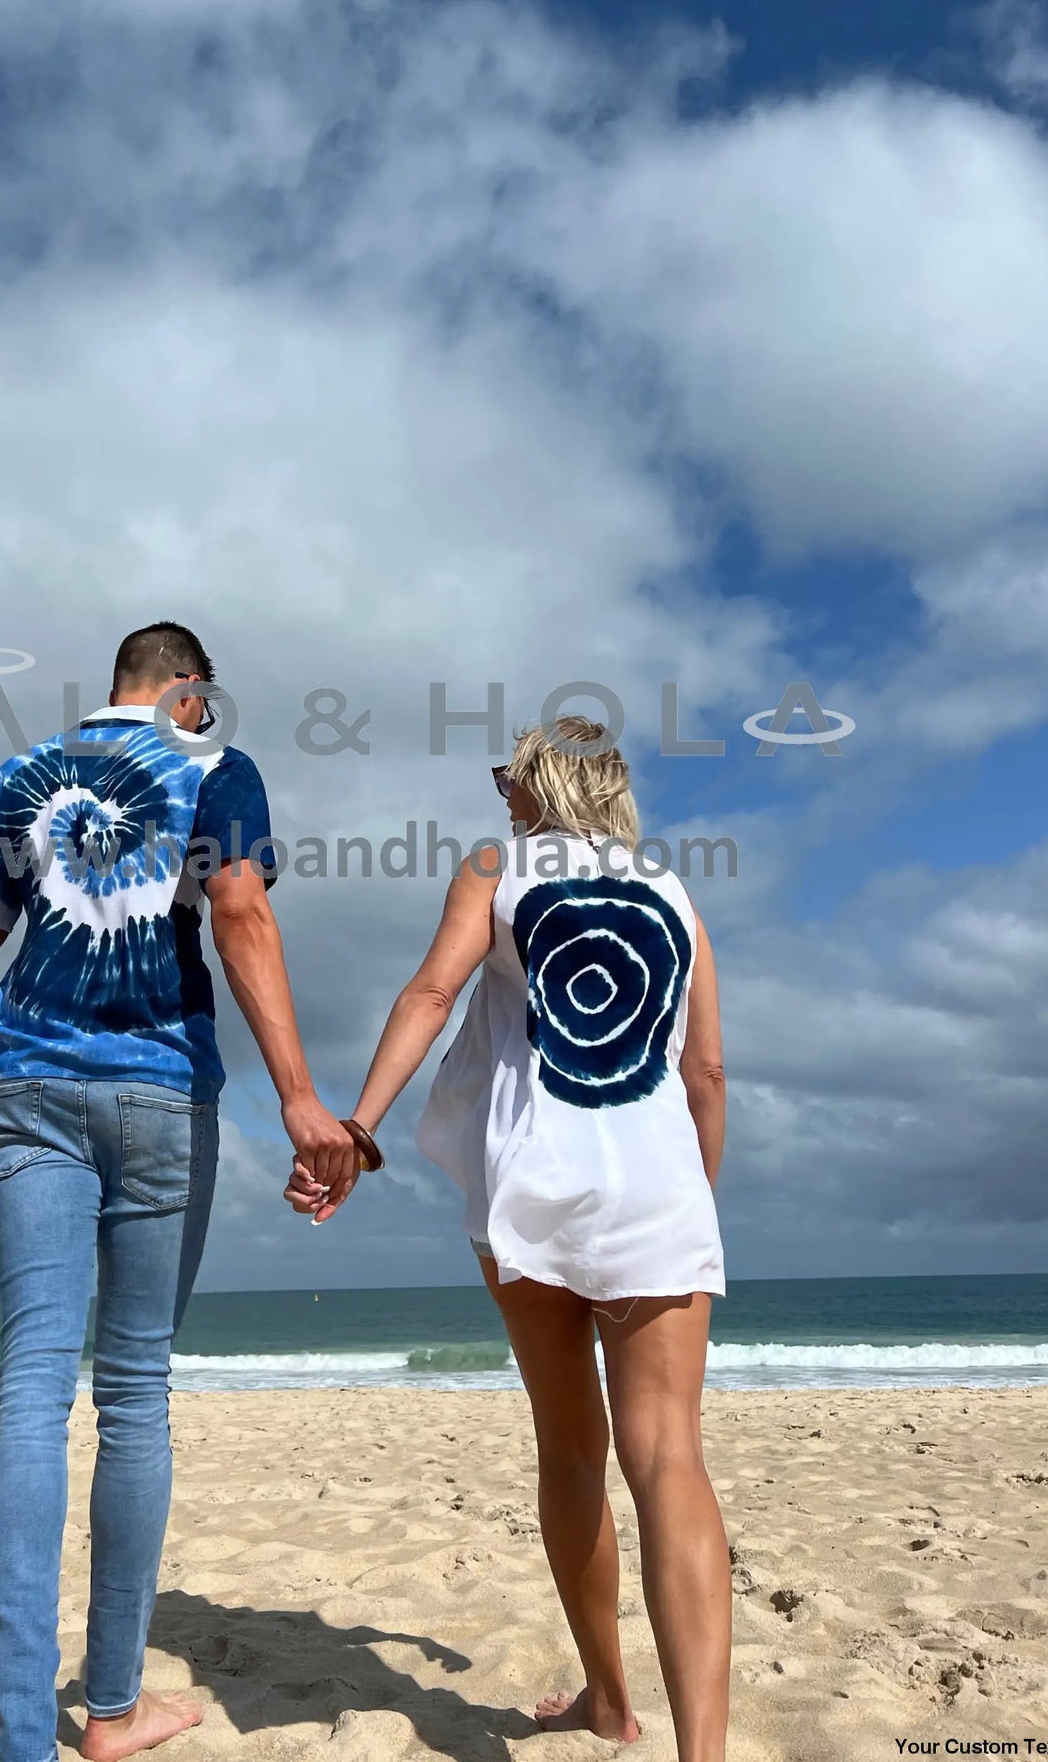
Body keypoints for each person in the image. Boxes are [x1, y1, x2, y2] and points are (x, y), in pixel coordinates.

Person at [0, 621, 356, 1762]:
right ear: (189, 690)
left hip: (24, 1090)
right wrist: (303, 1101)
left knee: (30, 1387)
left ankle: (26, 1740)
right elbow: (241, 912)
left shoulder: (15, 776)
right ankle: (108, 1713)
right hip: (163, 1089)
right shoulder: (215, 765)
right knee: (134, 1394)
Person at [287, 716, 731, 1761]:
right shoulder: (675, 893)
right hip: (657, 1191)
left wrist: (358, 1126)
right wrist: (687, 1196)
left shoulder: (500, 866)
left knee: (571, 1448)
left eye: (509, 774)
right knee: (669, 1458)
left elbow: (431, 992)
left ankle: (611, 1703)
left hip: (532, 1189)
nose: (498, 793)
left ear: (543, 783)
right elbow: (705, 1073)